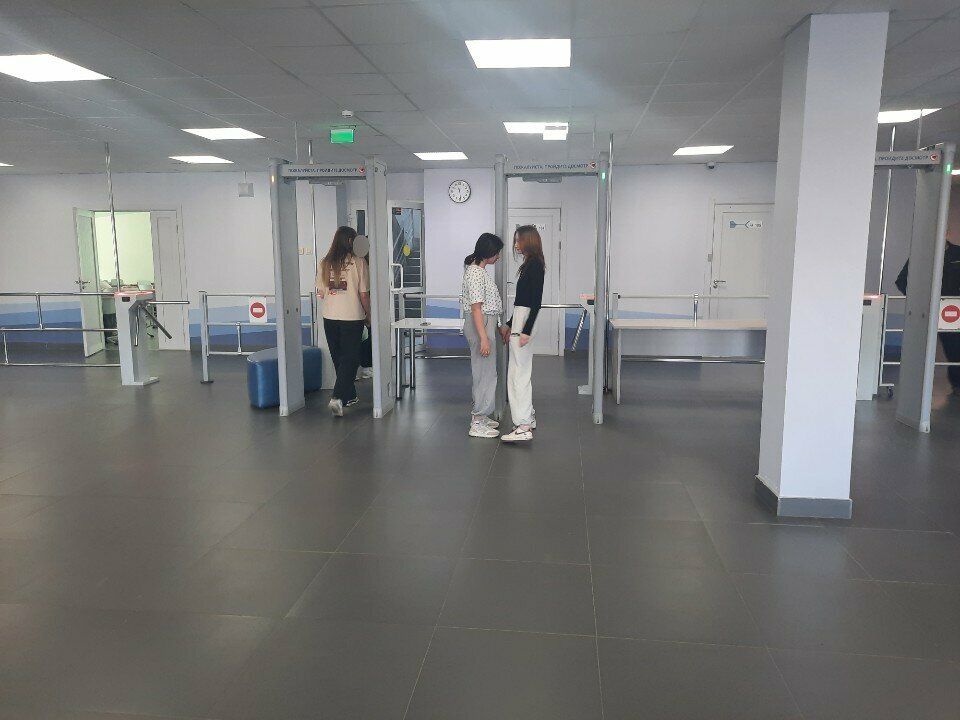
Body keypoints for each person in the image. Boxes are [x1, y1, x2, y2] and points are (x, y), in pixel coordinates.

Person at [896, 233, 960, 397]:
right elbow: (902, 280)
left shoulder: (958, 253)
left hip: (951, 312)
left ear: (945, 233)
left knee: (955, 348)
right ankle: (913, 387)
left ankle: (957, 384)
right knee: (919, 349)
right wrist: (918, 299)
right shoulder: (920, 255)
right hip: (924, 311)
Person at [317, 226, 370, 416]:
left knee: (339, 357)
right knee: (351, 358)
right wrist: (369, 315)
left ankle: (349, 396)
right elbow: (364, 294)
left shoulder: (325, 262)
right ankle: (337, 397)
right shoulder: (359, 262)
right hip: (352, 316)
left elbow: (321, 293)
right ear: (350, 241)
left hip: (330, 316)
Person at [499, 225, 545, 442]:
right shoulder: (530, 264)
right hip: (520, 319)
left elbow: (535, 302)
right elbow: (522, 301)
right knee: (520, 370)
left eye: (519, 240)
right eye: (515, 241)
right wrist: (510, 324)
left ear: (529, 241)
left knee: (518, 374)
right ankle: (529, 417)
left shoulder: (534, 265)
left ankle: (523, 425)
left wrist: (525, 330)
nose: (516, 245)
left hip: (524, 321)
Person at [462, 232, 504, 438]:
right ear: (489, 252)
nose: (498, 256)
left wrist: (497, 326)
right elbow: (476, 308)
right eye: (497, 253)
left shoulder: (479, 271)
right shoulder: (476, 273)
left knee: (487, 372)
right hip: (481, 325)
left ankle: (482, 415)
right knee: (484, 373)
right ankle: (477, 420)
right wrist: (484, 338)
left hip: (486, 323)